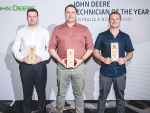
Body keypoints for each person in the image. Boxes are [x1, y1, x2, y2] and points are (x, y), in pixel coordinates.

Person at [48, 4, 94, 113]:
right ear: (64, 14)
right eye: (68, 12)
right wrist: (60, 60)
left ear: (76, 14)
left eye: (72, 12)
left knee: (78, 94)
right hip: (62, 66)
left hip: (78, 66)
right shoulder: (57, 29)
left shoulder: (84, 29)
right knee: (61, 93)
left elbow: (91, 48)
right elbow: (51, 48)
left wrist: (81, 60)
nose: (70, 14)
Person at [93, 12, 134, 113]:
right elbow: (95, 51)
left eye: (117, 19)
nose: (114, 21)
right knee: (102, 97)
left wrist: (124, 59)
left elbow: (130, 53)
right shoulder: (102, 35)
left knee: (120, 97)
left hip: (120, 72)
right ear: (109, 21)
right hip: (105, 72)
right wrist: (103, 59)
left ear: (120, 21)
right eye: (112, 19)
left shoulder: (125, 37)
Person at [12, 9, 50, 113]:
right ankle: (26, 111)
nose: (32, 18)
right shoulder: (20, 32)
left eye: (34, 16)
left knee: (41, 92)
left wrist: (41, 58)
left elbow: (50, 49)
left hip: (40, 66)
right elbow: (15, 48)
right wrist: (22, 58)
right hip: (25, 66)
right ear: (26, 17)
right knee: (26, 92)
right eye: (30, 16)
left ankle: (42, 111)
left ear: (37, 18)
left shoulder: (44, 32)